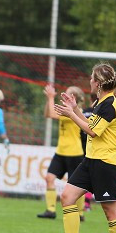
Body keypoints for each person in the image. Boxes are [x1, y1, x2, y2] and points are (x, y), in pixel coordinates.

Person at [48, 63, 116, 233]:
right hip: (91, 160)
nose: (89, 81)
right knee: (67, 196)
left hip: (107, 163)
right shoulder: (102, 102)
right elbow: (91, 125)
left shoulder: (110, 104)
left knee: (110, 210)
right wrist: (75, 109)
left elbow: (92, 131)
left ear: (98, 83)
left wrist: (71, 114)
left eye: (92, 78)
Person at [37, 83, 86, 219]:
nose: (64, 94)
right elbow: (48, 114)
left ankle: (80, 213)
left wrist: (51, 97)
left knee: (76, 186)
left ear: (73, 97)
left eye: (67, 93)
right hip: (61, 151)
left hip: (75, 153)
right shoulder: (66, 110)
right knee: (49, 178)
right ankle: (50, 211)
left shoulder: (76, 112)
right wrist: (49, 99)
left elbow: (52, 114)